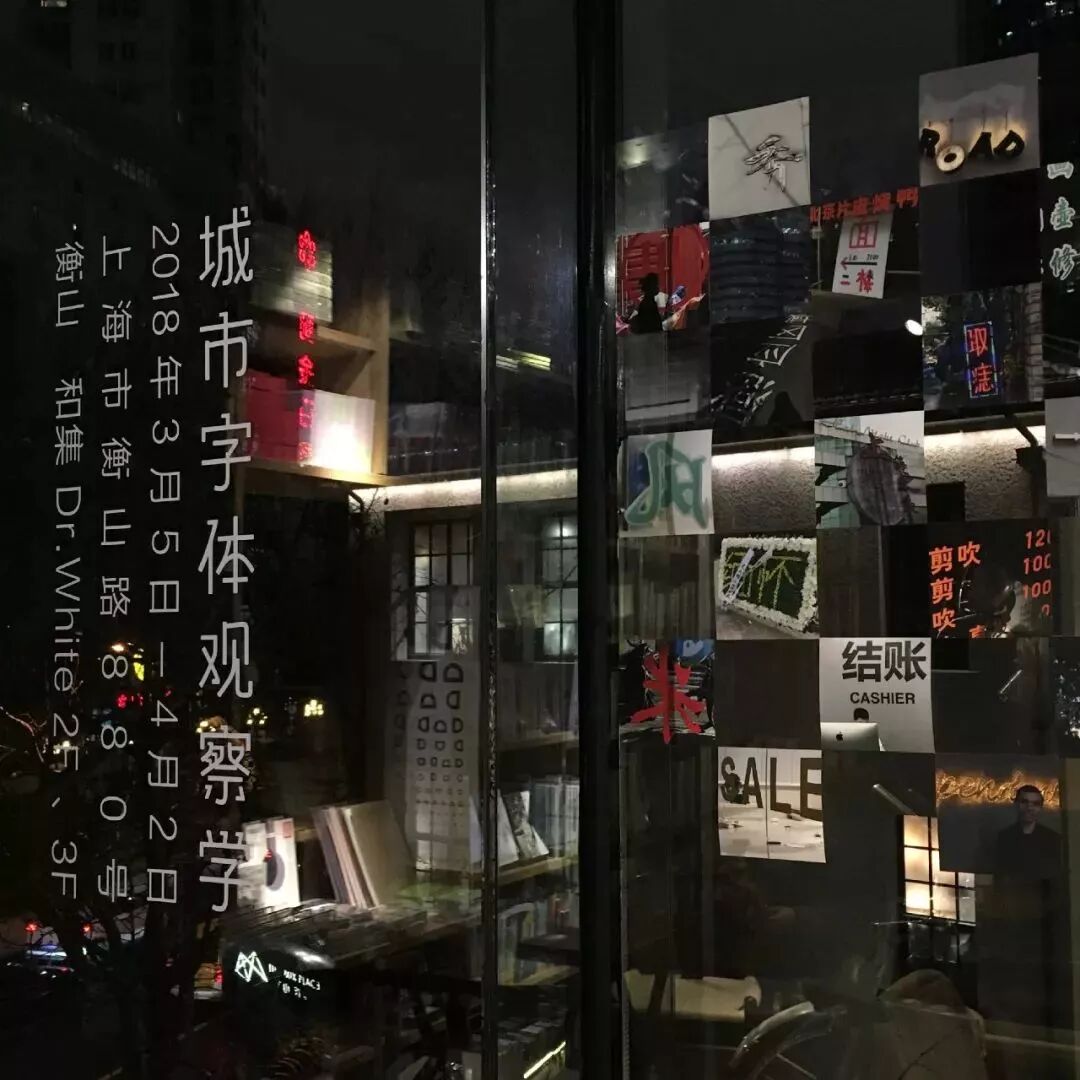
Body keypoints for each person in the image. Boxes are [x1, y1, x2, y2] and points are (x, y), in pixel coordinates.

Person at [993, 784, 1061, 879]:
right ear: (1016, 804)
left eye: (1035, 803)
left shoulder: (1052, 839)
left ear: (1041, 807)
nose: (1029, 808)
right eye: (1024, 802)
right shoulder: (1004, 837)